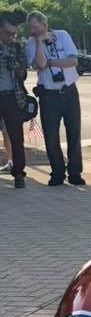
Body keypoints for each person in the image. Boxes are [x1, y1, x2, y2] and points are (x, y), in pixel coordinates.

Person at [25, 10, 85, 186]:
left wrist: (52, 63)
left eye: (35, 27)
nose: (33, 30)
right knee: (51, 136)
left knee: (74, 132)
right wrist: (38, 42)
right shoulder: (30, 43)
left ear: (44, 24)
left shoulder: (62, 35)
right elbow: (40, 64)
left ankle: (75, 172)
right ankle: (57, 172)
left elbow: (73, 61)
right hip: (49, 95)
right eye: (30, 28)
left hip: (69, 91)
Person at [0, 11, 28, 189]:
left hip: (12, 96)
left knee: (16, 137)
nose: (11, 37)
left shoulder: (17, 48)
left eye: (14, 34)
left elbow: (24, 74)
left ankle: (18, 173)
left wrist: (17, 68)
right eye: (8, 33)